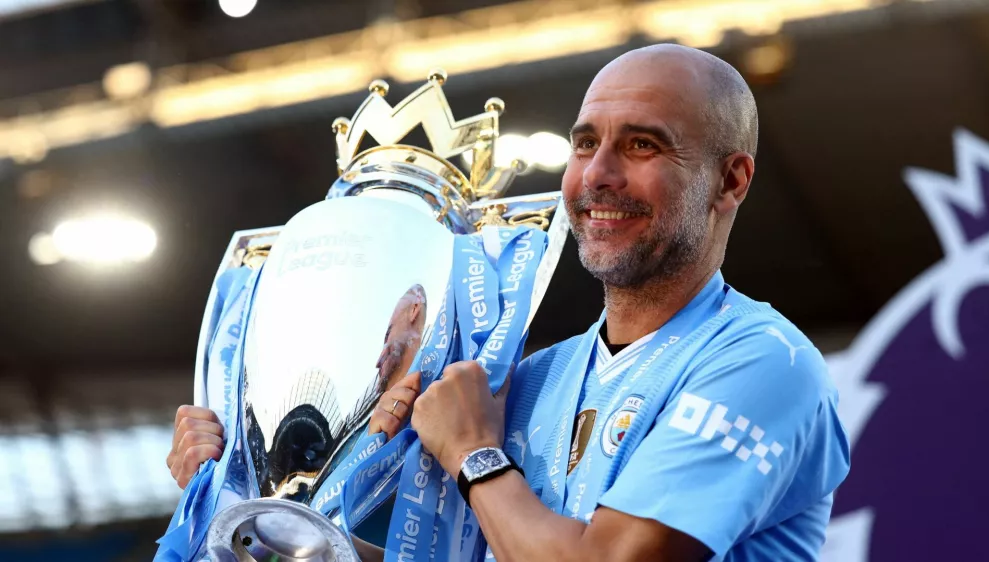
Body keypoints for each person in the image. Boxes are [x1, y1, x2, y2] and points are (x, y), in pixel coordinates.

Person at [169, 44, 851, 561]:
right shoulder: (525, 381)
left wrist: (473, 456)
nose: (599, 176)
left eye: (642, 145)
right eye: (586, 144)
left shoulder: (764, 362)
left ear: (730, 179)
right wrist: (241, 498)